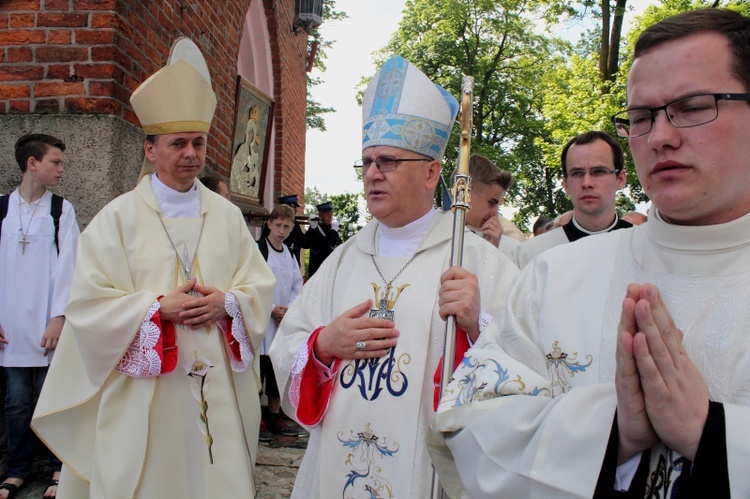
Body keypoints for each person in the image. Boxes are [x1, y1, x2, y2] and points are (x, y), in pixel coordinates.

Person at [431, 8, 750, 497]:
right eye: (642, 117)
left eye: (692, 106)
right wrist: (611, 431)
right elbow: (467, 422)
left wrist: (711, 436)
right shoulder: (552, 275)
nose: (660, 136)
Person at [31, 38, 275, 498]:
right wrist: (156, 310)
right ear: (150, 150)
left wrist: (229, 302)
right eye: (178, 143)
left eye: (198, 142)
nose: (190, 153)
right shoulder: (117, 218)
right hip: (147, 388)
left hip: (214, 381)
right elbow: (87, 305)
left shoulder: (225, 216)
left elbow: (258, 285)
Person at [269, 55, 518, 498]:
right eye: (365, 162)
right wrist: (323, 346)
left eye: (387, 161)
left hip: (426, 472)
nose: (371, 174)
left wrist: (478, 325)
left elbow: (523, 370)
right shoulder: (344, 260)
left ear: (431, 172)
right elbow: (288, 344)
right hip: (335, 468)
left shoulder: (477, 262)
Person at [0, 134, 79, 499]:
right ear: (33, 163)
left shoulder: (60, 211)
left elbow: (69, 267)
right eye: (56, 162)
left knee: (52, 398)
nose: (61, 169)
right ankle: (16, 469)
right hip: (9, 327)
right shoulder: (2, 209)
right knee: (16, 402)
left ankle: (58, 467)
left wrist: (59, 317)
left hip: (49, 323)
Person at [513, 131, 633, 268]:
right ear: (566, 184)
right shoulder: (533, 254)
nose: (586, 182)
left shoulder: (644, 245)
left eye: (598, 171)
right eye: (577, 173)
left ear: (620, 179)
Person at [256, 204, 303, 440]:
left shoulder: (289, 255)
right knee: (259, 371)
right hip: (261, 320)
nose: (281, 231)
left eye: (287, 226)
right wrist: (271, 308)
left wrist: (288, 310)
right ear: (269, 225)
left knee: (276, 368)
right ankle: (256, 419)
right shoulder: (259, 251)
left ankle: (274, 416)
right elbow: (252, 284)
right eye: (278, 225)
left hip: (281, 322)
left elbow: (296, 285)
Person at [463, 153, 519, 261]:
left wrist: (491, 251)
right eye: (491, 203)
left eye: (497, 206)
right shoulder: (429, 233)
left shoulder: (511, 250)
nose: (494, 213)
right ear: (466, 192)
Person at [303, 201, 342, 277]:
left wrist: (335, 232)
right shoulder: (315, 229)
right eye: (327, 214)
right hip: (318, 272)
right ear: (320, 214)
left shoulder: (333, 229)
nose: (330, 217)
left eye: (331, 214)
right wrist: (312, 228)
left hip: (331, 271)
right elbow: (325, 244)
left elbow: (338, 247)